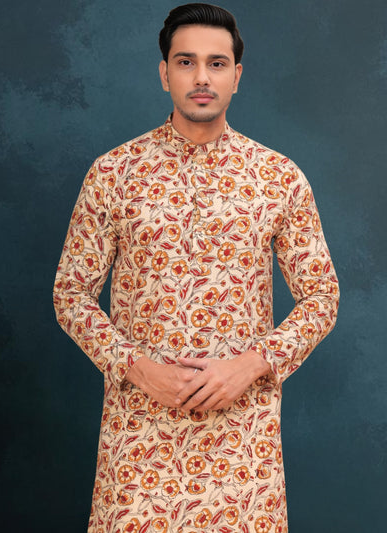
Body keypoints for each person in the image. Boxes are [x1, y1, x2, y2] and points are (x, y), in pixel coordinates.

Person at [53, 3, 339, 532]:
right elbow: (70, 294)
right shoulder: (114, 173)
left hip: (243, 446)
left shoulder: (279, 178)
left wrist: (253, 364)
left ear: (237, 76)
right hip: (140, 442)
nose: (202, 77)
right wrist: (137, 368)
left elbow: (322, 297)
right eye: (186, 62)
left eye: (217, 63)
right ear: (165, 74)